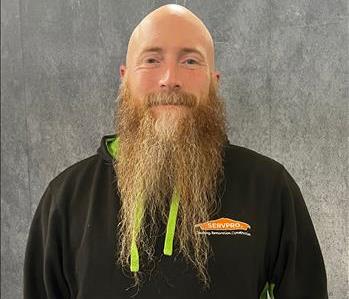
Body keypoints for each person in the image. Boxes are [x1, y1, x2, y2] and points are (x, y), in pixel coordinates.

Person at [23, 4, 328, 298]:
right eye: (152, 60)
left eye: (190, 61)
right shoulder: (64, 198)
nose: (170, 79)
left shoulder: (270, 188)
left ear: (214, 81)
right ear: (125, 77)